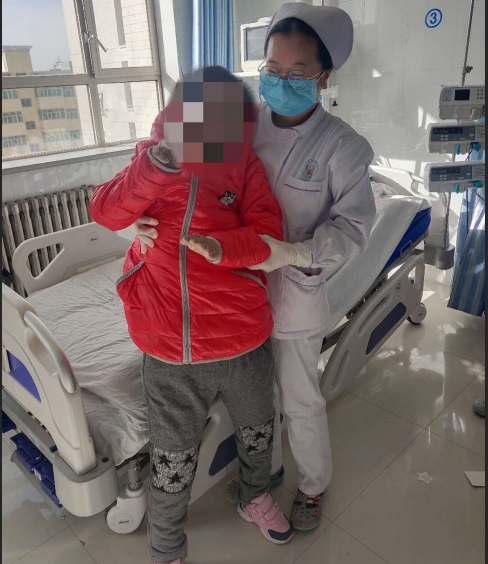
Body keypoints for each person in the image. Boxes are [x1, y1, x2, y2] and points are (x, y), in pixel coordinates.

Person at [135, 3, 376, 533]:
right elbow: (187, 174)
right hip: (232, 293)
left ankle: (312, 485)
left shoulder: (343, 147)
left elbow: (355, 230)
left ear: (324, 78)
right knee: (260, 404)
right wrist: (143, 217)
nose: (280, 82)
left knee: (299, 398)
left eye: (297, 73)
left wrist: (292, 253)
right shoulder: (241, 126)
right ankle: (262, 480)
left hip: (293, 293)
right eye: (272, 70)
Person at [89, 66, 295, 564]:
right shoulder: (153, 157)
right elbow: (105, 211)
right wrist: (158, 165)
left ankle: (254, 496)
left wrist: (223, 249)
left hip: (242, 337)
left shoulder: (242, 164)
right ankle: (166, 544)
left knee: (258, 430)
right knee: (173, 458)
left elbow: (269, 235)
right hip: (169, 346)